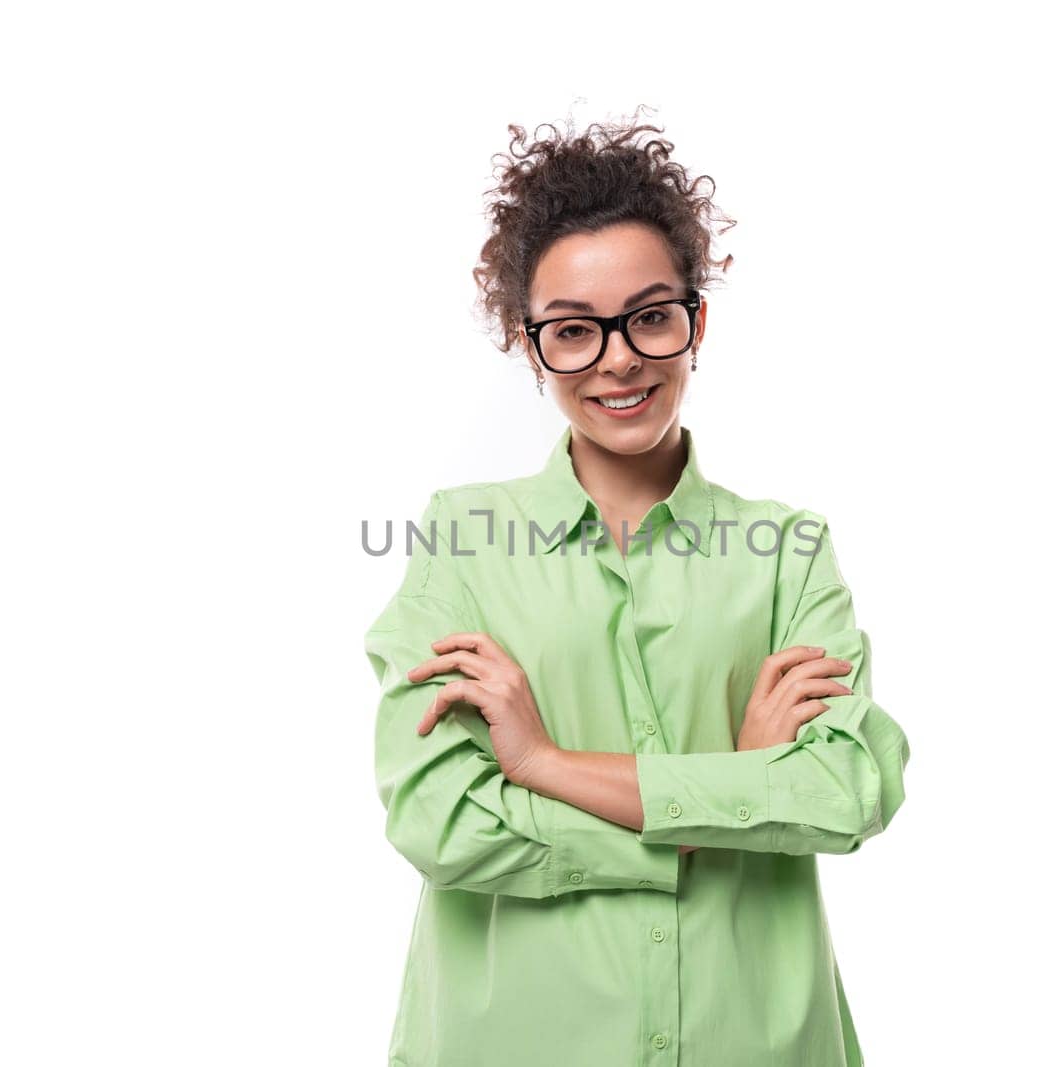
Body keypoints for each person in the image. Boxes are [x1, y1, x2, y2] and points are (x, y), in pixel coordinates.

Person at [364, 110, 911, 1067]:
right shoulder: (460, 541)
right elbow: (439, 820)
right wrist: (728, 798)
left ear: (695, 321)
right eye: (574, 331)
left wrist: (541, 763)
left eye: (650, 315)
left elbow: (848, 786)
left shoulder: (786, 550)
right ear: (531, 346)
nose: (618, 358)